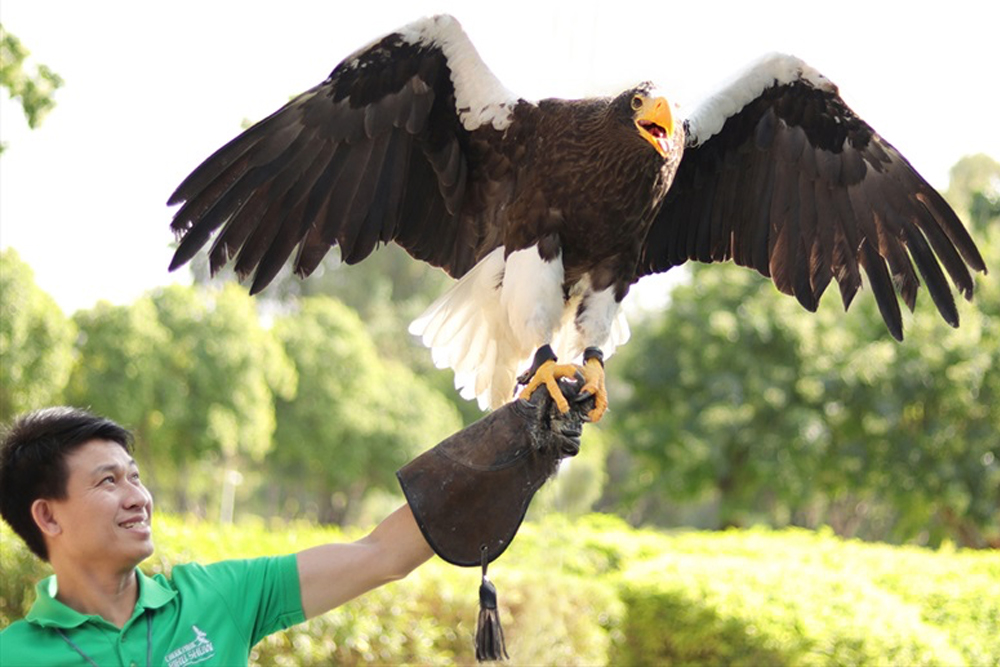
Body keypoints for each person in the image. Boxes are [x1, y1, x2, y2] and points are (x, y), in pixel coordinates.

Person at [0, 406, 435, 666]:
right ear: (48, 517)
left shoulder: (217, 596)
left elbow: (382, 555)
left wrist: (499, 451)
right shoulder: (13, 655)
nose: (138, 498)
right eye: (108, 482)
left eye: (135, 476)